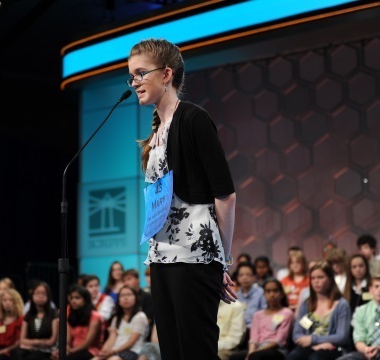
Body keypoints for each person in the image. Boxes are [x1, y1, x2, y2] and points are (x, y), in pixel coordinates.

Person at [128, 38, 236, 360]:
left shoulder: (193, 119)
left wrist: (222, 260)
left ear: (166, 74)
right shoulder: (156, 130)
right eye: (131, 75)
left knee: (196, 351)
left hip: (194, 256)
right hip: (160, 256)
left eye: (140, 73)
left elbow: (226, 195)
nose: (134, 82)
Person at [287, 261, 351, 360]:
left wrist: (313, 339)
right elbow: (297, 334)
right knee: (293, 357)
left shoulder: (341, 304)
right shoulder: (306, 304)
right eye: (313, 278)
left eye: (320, 277)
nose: (316, 281)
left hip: (333, 347)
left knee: (316, 358)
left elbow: (341, 337)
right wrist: (314, 345)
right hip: (309, 346)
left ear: (330, 280)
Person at [93, 286, 148, 360]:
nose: (126, 298)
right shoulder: (116, 318)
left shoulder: (140, 316)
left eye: (129, 294)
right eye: (122, 295)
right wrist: (103, 351)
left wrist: (113, 352)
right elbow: (112, 337)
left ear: (136, 298)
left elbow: (132, 341)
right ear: (118, 300)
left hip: (132, 351)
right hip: (115, 351)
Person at [244, 279, 294, 360]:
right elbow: (254, 339)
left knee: (256, 356)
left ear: (281, 294)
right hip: (258, 349)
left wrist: (255, 352)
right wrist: (250, 353)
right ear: (264, 294)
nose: (272, 295)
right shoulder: (258, 315)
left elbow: (279, 340)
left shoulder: (287, 313)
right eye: (268, 291)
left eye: (275, 291)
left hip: (277, 350)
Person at [17, 282, 58, 360]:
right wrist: (39, 342)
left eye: (43, 294)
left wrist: (32, 342)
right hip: (29, 348)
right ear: (32, 296)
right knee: (16, 353)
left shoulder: (53, 314)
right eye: (37, 293)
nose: (40, 296)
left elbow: (51, 341)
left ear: (48, 296)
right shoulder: (28, 314)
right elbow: (22, 340)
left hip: (47, 350)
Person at [60, 285, 103, 360]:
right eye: (72, 298)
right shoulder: (70, 315)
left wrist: (72, 351)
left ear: (85, 300)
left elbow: (88, 342)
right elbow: (68, 338)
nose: (73, 301)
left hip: (90, 350)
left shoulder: (95, 316)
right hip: (73, 349)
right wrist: (66, 348)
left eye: (77, 298)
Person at [0, 289, 24, 360]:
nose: (7, 303)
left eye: (10, 300)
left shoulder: (21, 320)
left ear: (16, 302)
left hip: (12, 351)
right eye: (4, 300)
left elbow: (18, 343)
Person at [235, 262, 266, 330]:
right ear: (238, 278)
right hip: (238, 330)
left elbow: (265, 314)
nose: (244, 278)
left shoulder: (261, 293)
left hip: (256, 329)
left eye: (248, 275)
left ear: (254, 277)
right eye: (241, 275)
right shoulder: (236, 295)